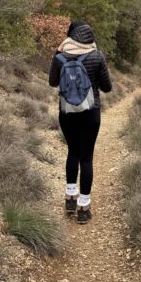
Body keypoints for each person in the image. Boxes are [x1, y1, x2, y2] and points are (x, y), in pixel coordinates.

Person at [49, 21, 112, 224]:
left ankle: (70, 199)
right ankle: (83, 208)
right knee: (86, 157)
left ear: (71, 35)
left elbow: (52, 82)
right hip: (91, 113)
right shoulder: (97, 56)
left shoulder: (60, 56)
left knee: (73, 152)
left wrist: (58, 54)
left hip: (67, 112)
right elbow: (107, 87)